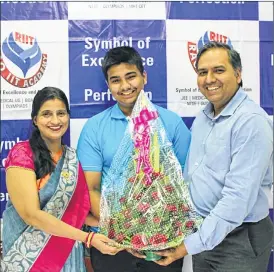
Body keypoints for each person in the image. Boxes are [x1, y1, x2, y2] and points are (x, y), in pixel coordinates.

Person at [155, 42, 274, 272]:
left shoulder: (250, 122)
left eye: (219, 70)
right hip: (206, 232)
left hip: (239, 239)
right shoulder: (203, 116)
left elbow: (237, 200)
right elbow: (194, 175)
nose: (209, 79)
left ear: (238, 75)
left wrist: (187, 246)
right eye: (202, 72)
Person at [77, 46, 191, 272]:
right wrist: (127, 231)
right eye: (116, 80)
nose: (125, 86)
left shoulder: (171, 122)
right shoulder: (94, 128)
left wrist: (155, 230)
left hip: (163, 243)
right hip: (112, 245)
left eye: (131, 76)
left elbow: (186, 184)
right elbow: (90, 189)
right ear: (108, 85)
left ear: (144, 77)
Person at [1, 87, 120, 272]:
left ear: (68, 116)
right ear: (35, 119)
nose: (55, 121)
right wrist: (88, 238)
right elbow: (32, 215)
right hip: (30, 259)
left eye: (61, 113)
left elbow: (78, 213)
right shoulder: (23, 154)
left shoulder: (72, 158)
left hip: (67, 254)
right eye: (47, 114)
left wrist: (119, 225)